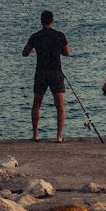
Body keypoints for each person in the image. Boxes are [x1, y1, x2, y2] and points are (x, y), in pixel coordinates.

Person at [22, 10, 70, 142]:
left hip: (41, 73)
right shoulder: (60, 35)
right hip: (56, 72)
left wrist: (33, 49)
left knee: (36, 104)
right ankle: (59, 136)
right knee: (60, 105)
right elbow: (67, 52)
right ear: (52, 21)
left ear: (41, 21)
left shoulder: (35, 36)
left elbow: (24, 53)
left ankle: (35, 134)